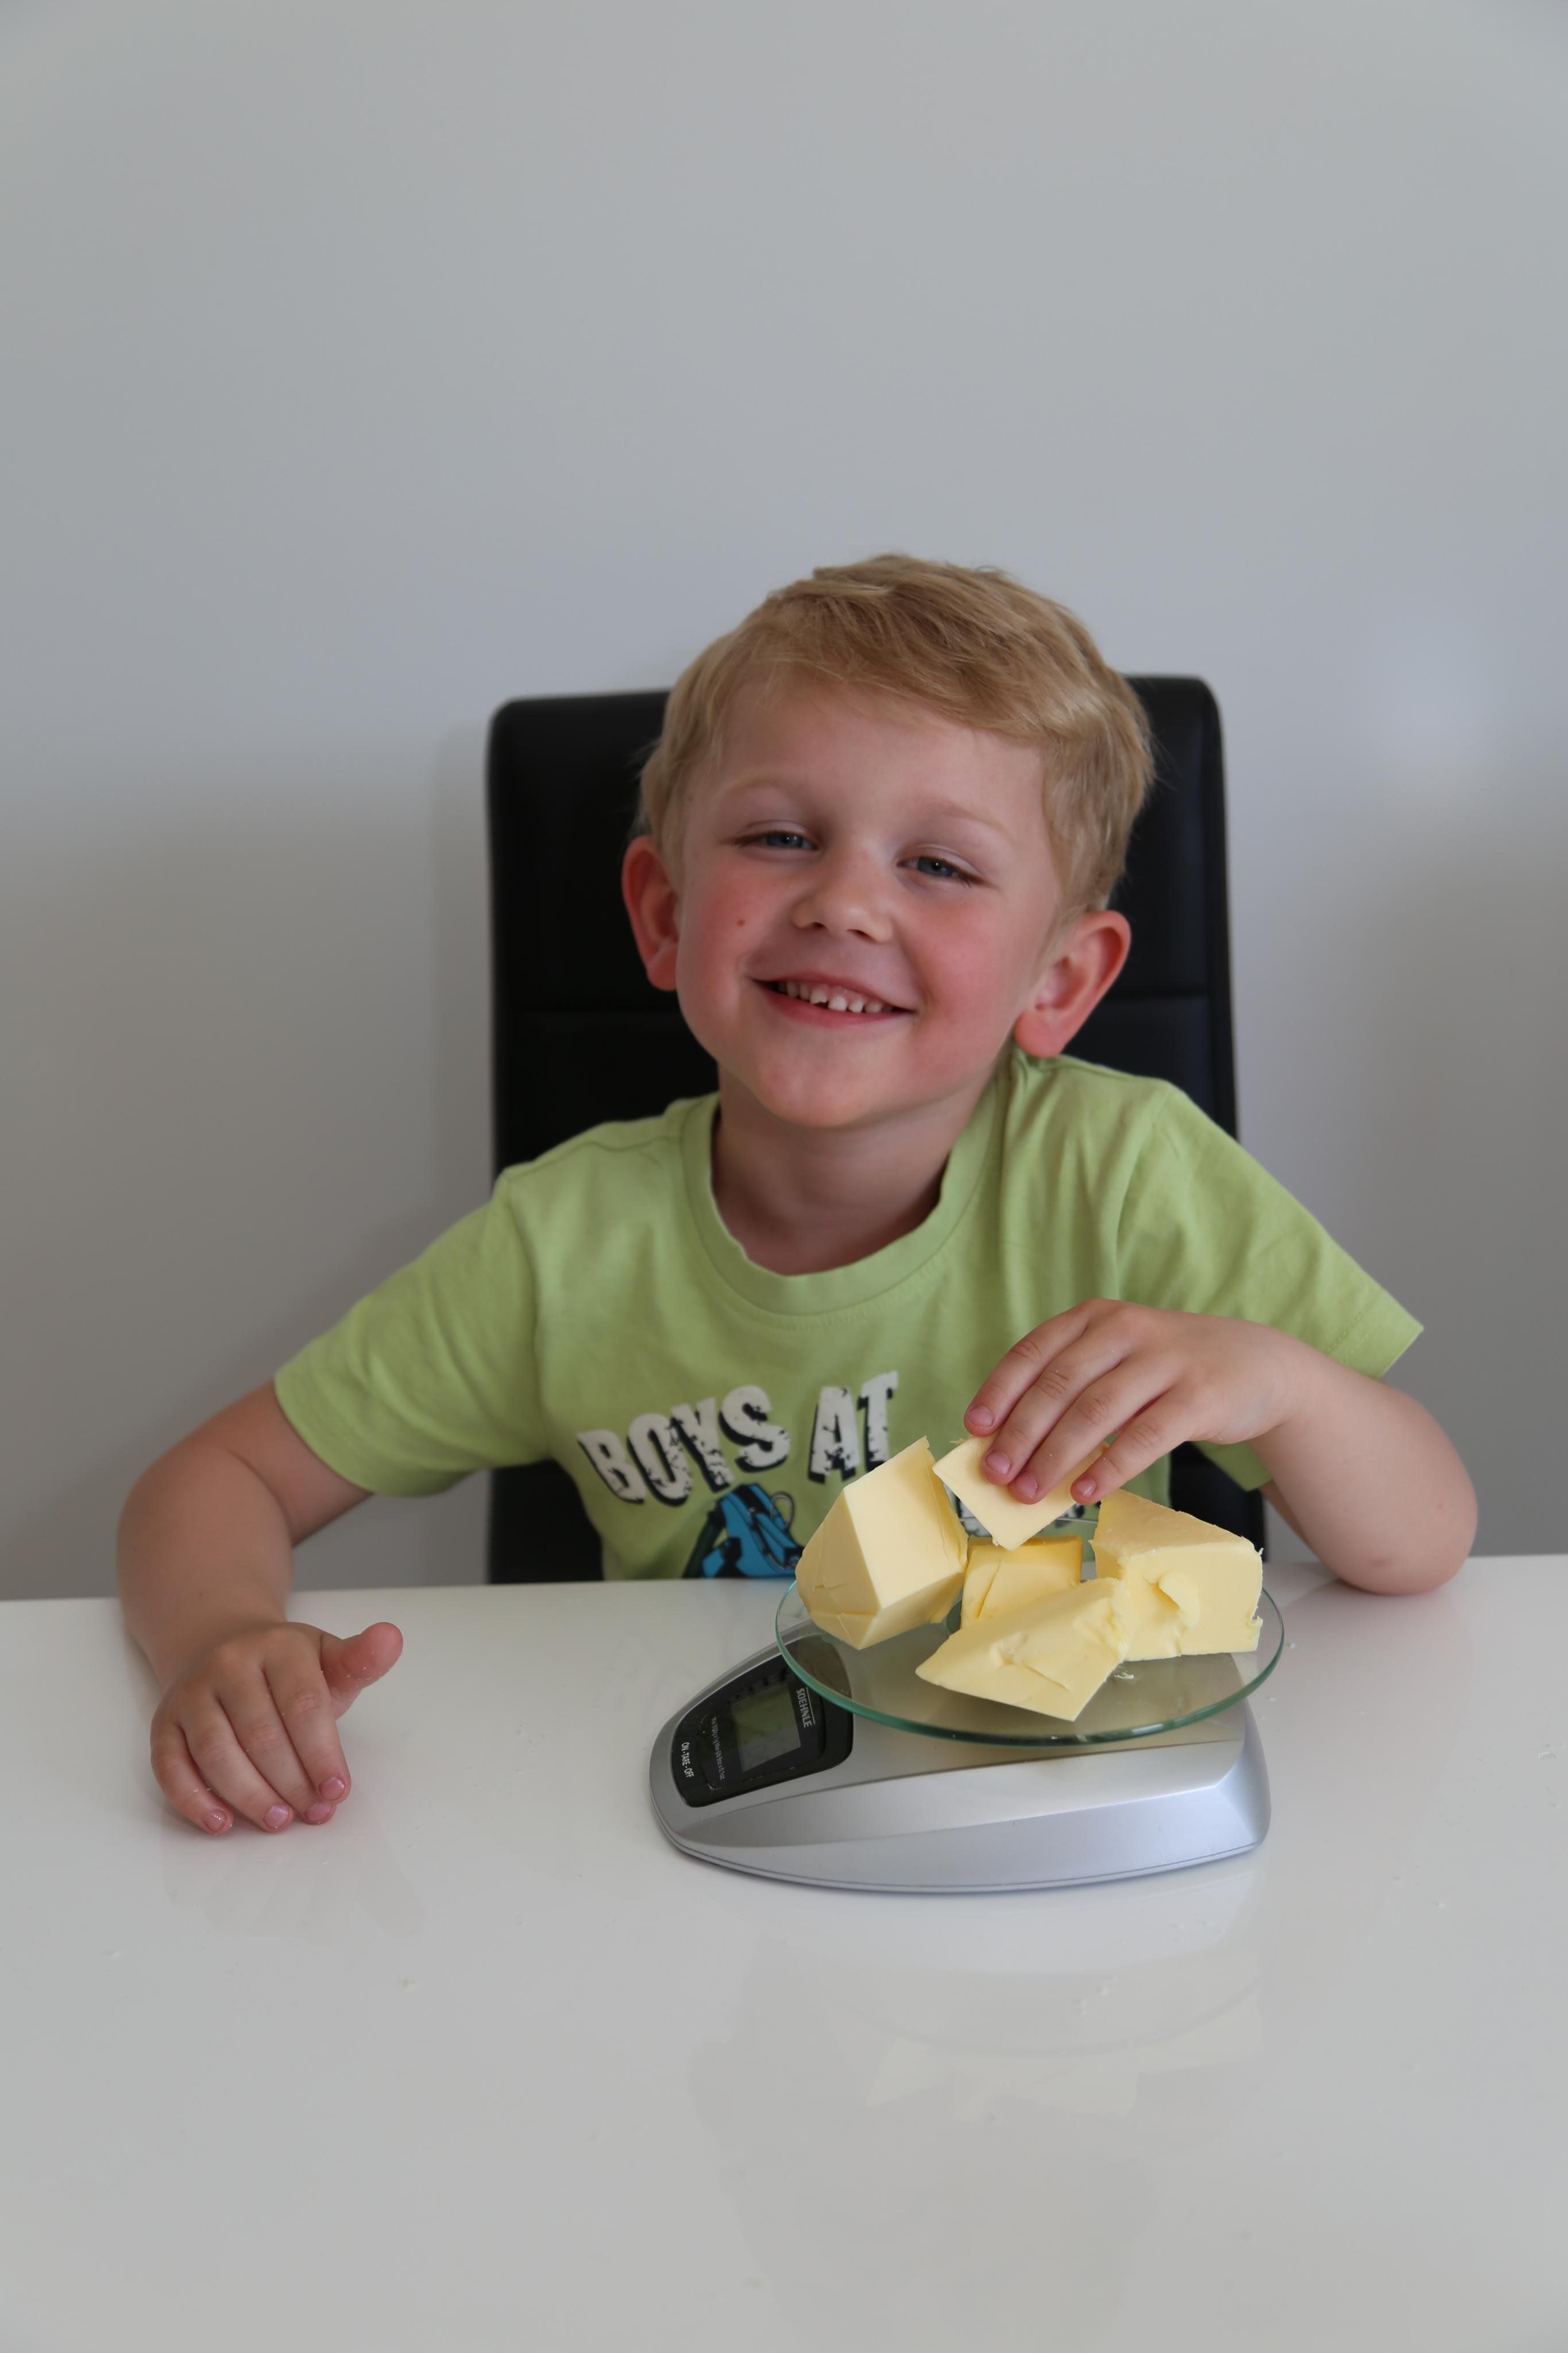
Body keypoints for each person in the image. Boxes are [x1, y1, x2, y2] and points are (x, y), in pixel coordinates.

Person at [117, 555, 1476, 1839]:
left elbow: (1423, 1540)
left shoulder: (1133, 1178)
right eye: (780, 836)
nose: (844, 903)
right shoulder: (559, 1246)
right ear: (664, 911)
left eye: (938, 864)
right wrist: (220, 1637)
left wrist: (1279, 1384)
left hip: (1058, 1817)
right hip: (705, 1825)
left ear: (1060, 979)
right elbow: (211, 1479)